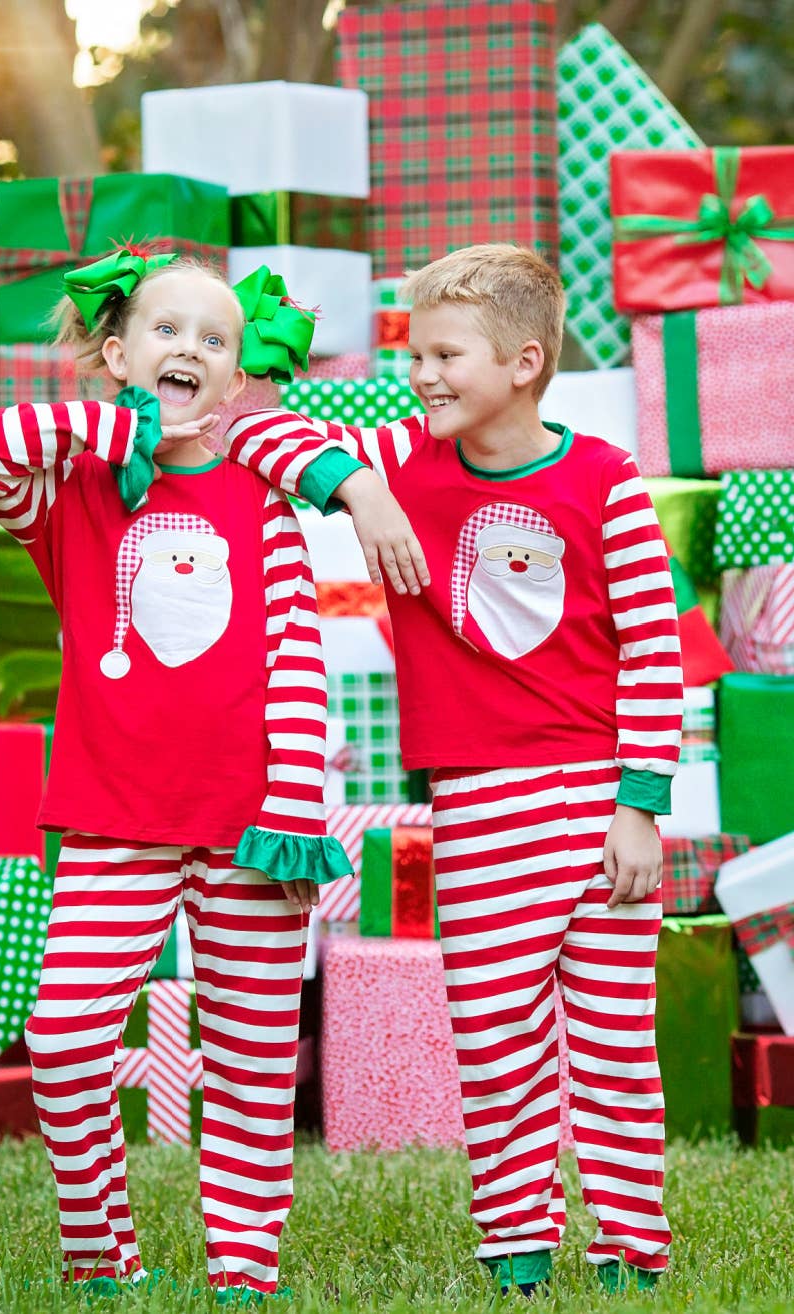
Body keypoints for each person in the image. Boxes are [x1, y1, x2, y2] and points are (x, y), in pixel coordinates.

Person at [221, 244, 682, 1297]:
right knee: (494, 1035)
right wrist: (361, 497)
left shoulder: (605, 481)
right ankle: (515, 1248)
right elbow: (256, 432)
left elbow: (654, 652)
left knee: (613, 1044)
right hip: (476, 805)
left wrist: (640, 807)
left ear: (523, 362)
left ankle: (630, 1252)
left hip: (597, 799)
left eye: (443, 355)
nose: (422, 375)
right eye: (414, 353)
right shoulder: (401, 457)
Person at [0, 249, 351, 1302]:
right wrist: (111, 428)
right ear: (120, 353)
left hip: (249, 824)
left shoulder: (263, 498)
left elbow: (297, 658)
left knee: (254, 1058)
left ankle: (243, 1269)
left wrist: (295, 810)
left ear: (236, 378)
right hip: (113, 817)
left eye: (214, 341)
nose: (191, 351)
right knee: (67, 1039)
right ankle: (102, 1252)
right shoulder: (71, 491)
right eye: (166, 331)